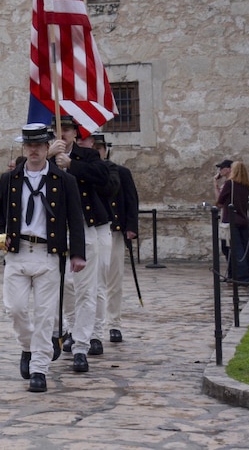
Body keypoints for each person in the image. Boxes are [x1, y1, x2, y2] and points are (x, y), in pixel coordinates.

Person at [0, 123, 86, 393]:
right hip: (18, 253)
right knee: (15, 308)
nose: (34, 150)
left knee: (45, 315)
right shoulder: (9, 180)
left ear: (47, 148)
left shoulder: (64, 180)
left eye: (39, 145)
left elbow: (75, 219)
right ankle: (27, 346)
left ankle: (39, 369)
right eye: (29, 145)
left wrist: (78, 253)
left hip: (48, 255)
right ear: (24, 148)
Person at [49, 115, 111, 365]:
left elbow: (104, 179)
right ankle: (71, 329)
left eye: (67, 129)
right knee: (63, 287)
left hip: (84, 227)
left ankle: (82, 346)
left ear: (75, 133)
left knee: (88, 287)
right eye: (58, 129)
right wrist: (49, 159)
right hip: (54, 230)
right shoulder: (44, 157)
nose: (62, 133)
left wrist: (71, 164)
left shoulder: (88, 157)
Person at [85, 133, 139, 344]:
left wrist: (131, 227)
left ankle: (114, 323)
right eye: (94, 147)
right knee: (92, 281)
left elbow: (131, 199)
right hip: (93, 229)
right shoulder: (84, 173)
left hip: (115, 231)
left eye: (101, 147)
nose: (98, 151)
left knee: (114, 279)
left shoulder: (120, 172)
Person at [215, 160, 249, 283]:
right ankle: (245, 274)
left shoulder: (230, 183)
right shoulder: (246, 185)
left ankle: (241, 277)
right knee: (244, 249)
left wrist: (216, 185)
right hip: (243, 219)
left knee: (235, 249)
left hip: (231, 220)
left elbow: (219, 203)